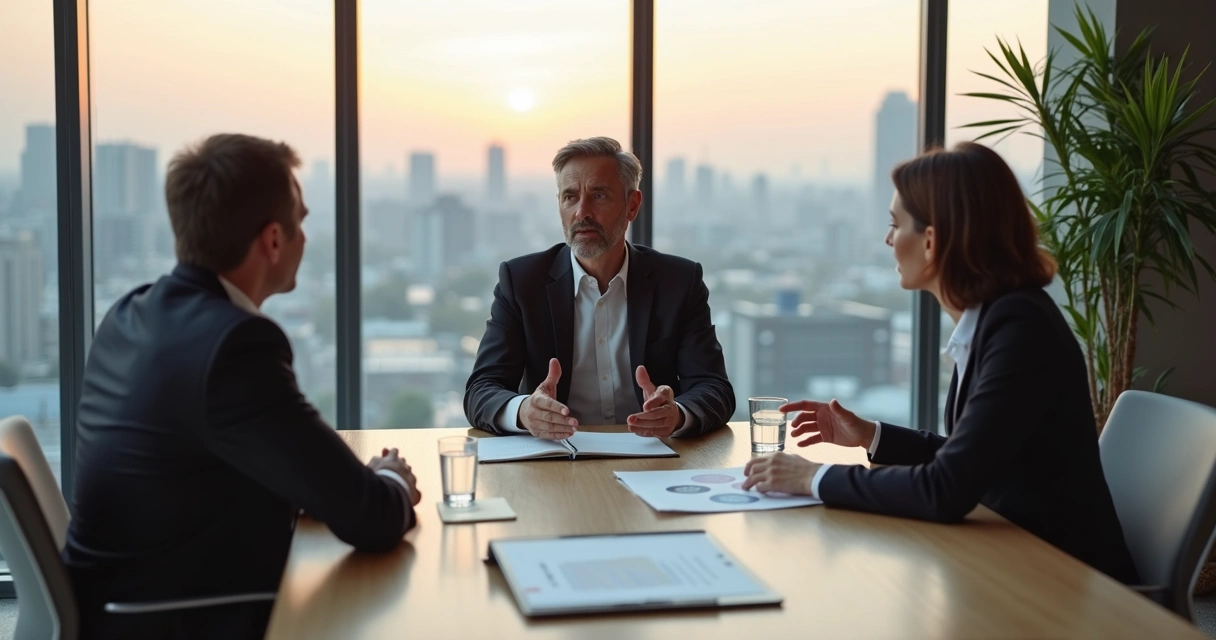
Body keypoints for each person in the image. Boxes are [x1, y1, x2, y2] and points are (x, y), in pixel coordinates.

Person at [64, 134, 422, 639]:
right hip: (176, 620)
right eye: (300, 222)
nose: (304, 237)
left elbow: (195, 469)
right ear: (273, 240)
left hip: (115, 607)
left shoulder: (131, 312)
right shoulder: (235, 345)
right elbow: (371, 519)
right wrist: (391, 480)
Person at [742, 142, 1139, 584]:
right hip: (1012, 556)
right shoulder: (995, 319)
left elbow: (946, 489)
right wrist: (871, 435)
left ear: (931, 242)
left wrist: (814, 478)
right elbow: (967, 460)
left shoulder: (1021, 327)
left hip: (1069, 584)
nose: (889, 240)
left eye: (896, 225)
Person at [464, 136, 734, 439]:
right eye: (570, 197)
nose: (582, 212)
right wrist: (524, 410)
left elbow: (714, 389)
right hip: (555, 463)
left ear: (632, 205)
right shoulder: (522, 282)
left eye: (599, 195)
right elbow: (481, 390)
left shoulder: (678, 282)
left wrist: (677, 414)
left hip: (652, 462)